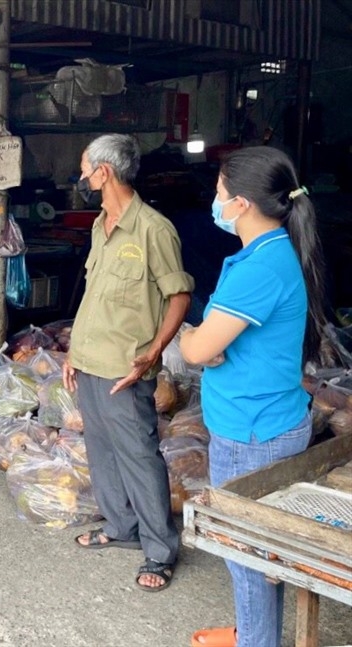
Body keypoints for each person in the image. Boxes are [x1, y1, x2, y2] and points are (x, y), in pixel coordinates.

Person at [181, 147, 327, 647]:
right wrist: (211, 345)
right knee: (255, 552)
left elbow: (200, 347)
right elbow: (220, 344)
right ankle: (254, 631)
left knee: (245, 554)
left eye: (220, 193)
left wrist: (192, 340)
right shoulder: (266, 253)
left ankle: (256, 642)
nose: (215, 202)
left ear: (241, 203)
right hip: (264, 420)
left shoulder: (260, 268)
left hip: (253, 433)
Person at [62, 134, 193, 592]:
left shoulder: (154, 229)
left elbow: (178, 295)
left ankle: (160, 551)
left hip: (127, 368)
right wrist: (74, 353)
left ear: (104, 172)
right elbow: (94, 297)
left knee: (138, 457)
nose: (81, 177)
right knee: (102, 453)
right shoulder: (101, 225)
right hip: (91, 362)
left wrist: (155, 350)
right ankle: (120, 528)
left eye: (84, 168)